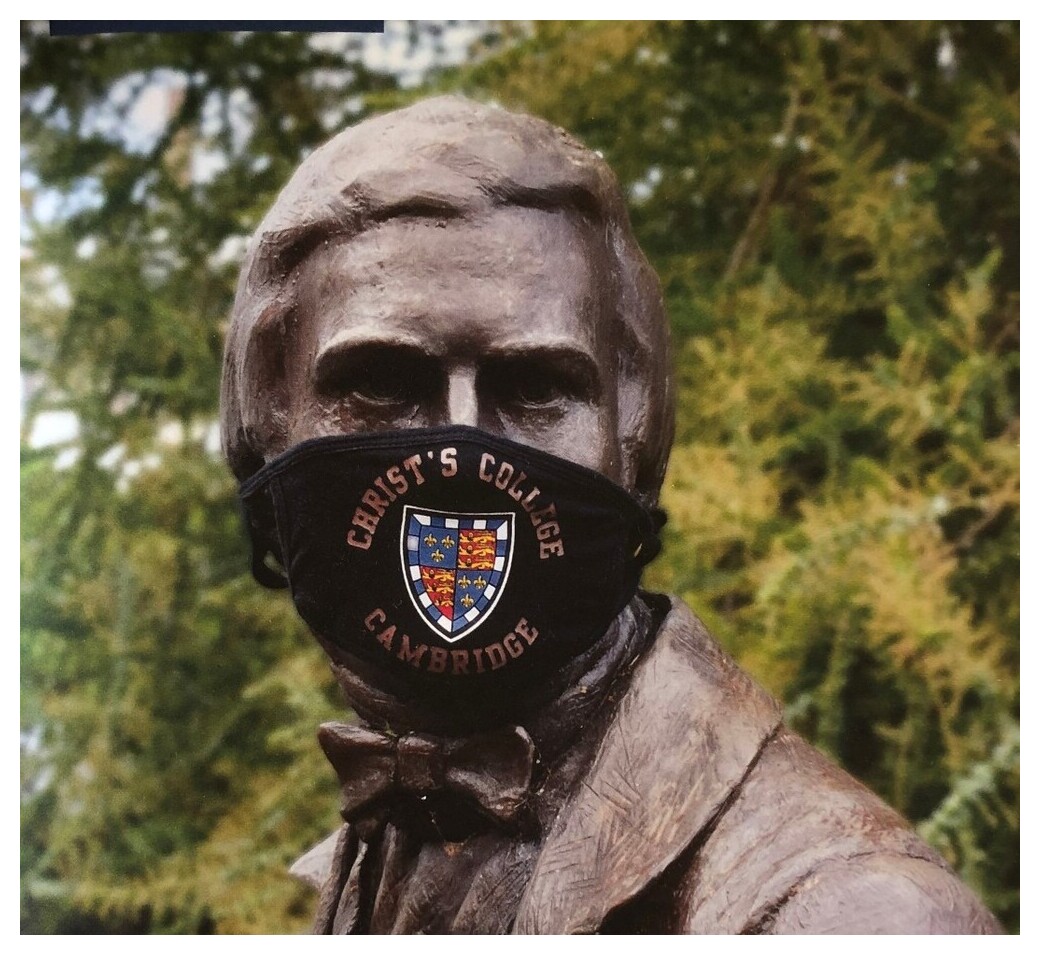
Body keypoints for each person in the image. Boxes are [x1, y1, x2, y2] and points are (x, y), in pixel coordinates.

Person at [220, 96, 1000, 934]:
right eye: (378, 383)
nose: (460, 454)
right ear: (269, 424)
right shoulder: (375, 853)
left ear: (632, 437)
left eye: (536, 388)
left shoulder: (852, 915)